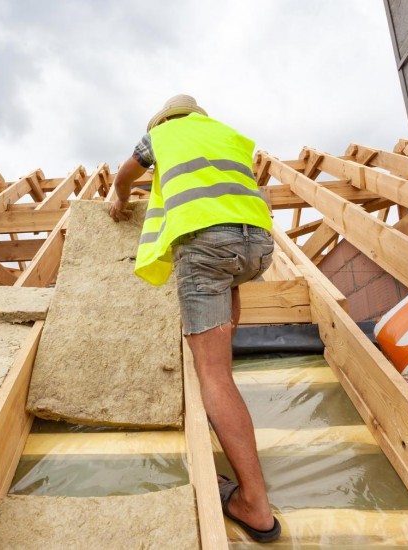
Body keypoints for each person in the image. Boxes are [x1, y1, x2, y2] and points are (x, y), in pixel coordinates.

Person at [109, 94, 281, 542]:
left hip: (206, 247)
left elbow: (124, 174)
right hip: (256, 247)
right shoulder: (227, 136)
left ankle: (254, 505)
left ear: (164, 120)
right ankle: (223, 412)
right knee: (222, 339)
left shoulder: (162, 134)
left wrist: (118, 197)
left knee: (214, 376)